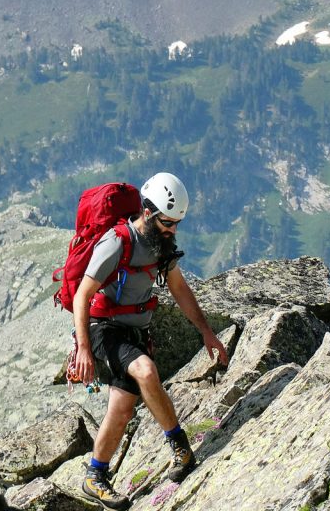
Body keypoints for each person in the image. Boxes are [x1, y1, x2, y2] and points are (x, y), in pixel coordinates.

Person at [73, 172, 229, 510]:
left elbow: (179, 289)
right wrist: (84, 348)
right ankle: (181, 448)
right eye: (167, 222)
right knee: (145, 371)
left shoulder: (162, 246)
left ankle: (94, 476)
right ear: (148, 211)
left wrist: (206, 331)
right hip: (105, 328)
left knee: (122, 407)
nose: (173, 230)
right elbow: (82, 295)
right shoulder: (116, 242)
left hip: (136, 332)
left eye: (176, 224)